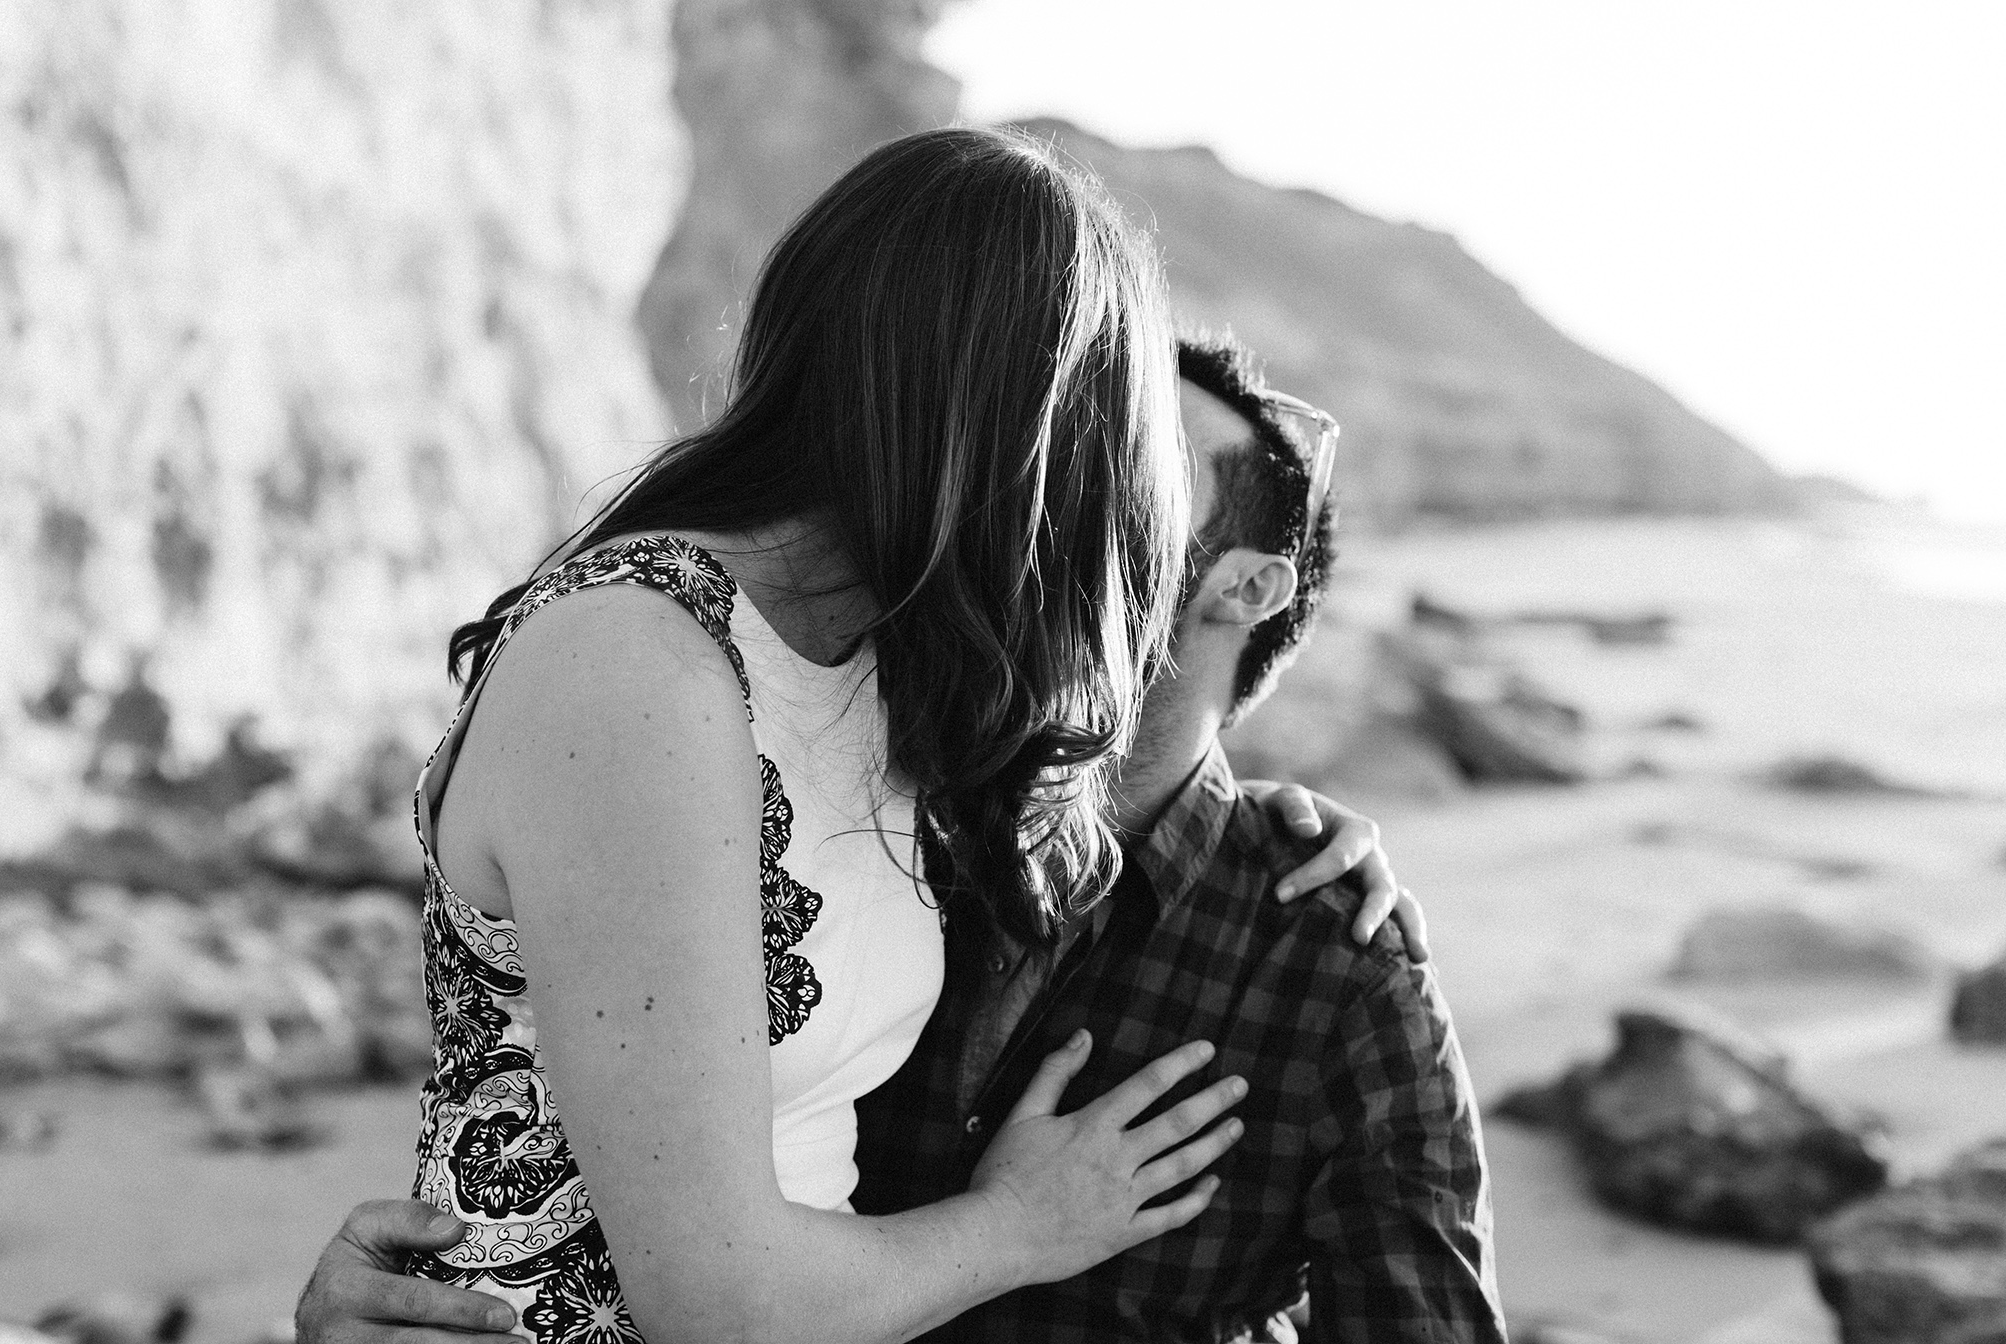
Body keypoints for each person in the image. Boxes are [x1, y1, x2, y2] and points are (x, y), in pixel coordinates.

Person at [295, 330, 1489, 1344]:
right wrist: (418, 1293)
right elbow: (587, 1125)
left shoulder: (1331, 959)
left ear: (1247, 589)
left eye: (1139, 468)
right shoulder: (854, 802)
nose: (1064, 478)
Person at [390, 124, 1270, 1344]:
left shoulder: (868, 659)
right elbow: (721, 1304)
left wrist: (1296, 847)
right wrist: (1029, 1223)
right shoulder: (637, 670)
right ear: (1034, 440)